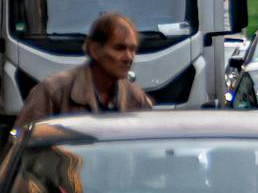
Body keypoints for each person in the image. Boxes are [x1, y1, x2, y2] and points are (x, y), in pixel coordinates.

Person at [13, 12, 153, 130]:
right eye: (119, 48)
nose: (129, 57)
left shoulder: (136, 98)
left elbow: (150, 148)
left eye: (133, 49)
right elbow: (18, 138)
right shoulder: (53, 91)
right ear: (94, 50)